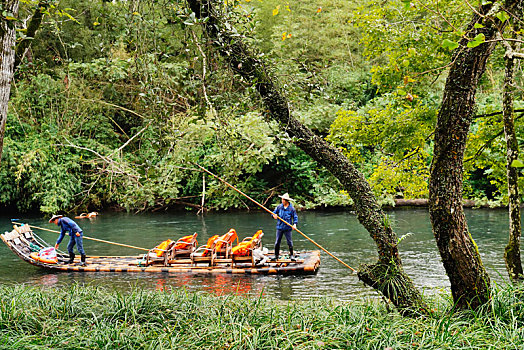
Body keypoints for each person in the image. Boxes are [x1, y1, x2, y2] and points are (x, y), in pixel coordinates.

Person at [272, 193, 298, 261]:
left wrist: (294, 224)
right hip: (280, 227)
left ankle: (292, 255)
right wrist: (274, 215)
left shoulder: (291, 208)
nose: (282, 201)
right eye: (282, 199)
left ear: (286, 200)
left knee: (289, 242)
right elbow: (273, 213)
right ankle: (276, 256)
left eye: (283, 200)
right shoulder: (279, 207)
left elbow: (295, 217)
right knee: (277, 242)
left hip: (287, 228)